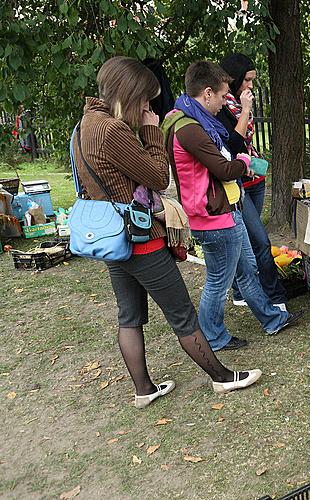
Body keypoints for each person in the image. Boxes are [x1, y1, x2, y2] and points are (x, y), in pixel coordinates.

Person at [73, 56, 262, 408]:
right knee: (183, 316)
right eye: (145, 99)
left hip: (112, 236)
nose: (148, 106)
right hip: (139, 239)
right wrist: (149, 129)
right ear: (129, 95)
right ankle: (222, 377)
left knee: (129, 317)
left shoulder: (85, 124)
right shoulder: (112, 130)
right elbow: (159, 177)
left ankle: (144, 389)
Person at [163, 61, 302, 350]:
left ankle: (272, 320)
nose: (225, 103)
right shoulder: (189, 128)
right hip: (212, 215)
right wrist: (245, 162)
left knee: (247, 269)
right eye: (224, 96)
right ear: (208, 93)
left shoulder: (190, 119)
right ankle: (212, 336)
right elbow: (225, 170)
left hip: (222, 209)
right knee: (218, 281)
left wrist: (237, 164)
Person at [217, 53, 287, 311]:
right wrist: (245, 110)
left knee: (249, 239)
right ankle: (275, 297)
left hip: (254, 179)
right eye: (247, 80)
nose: (250, 86)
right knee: (260, 241)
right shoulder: (222, 106)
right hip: (236, 183)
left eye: (253, 81)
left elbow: (246, 142)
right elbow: (234, 142)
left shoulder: (236, 103)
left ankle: (239, 290)